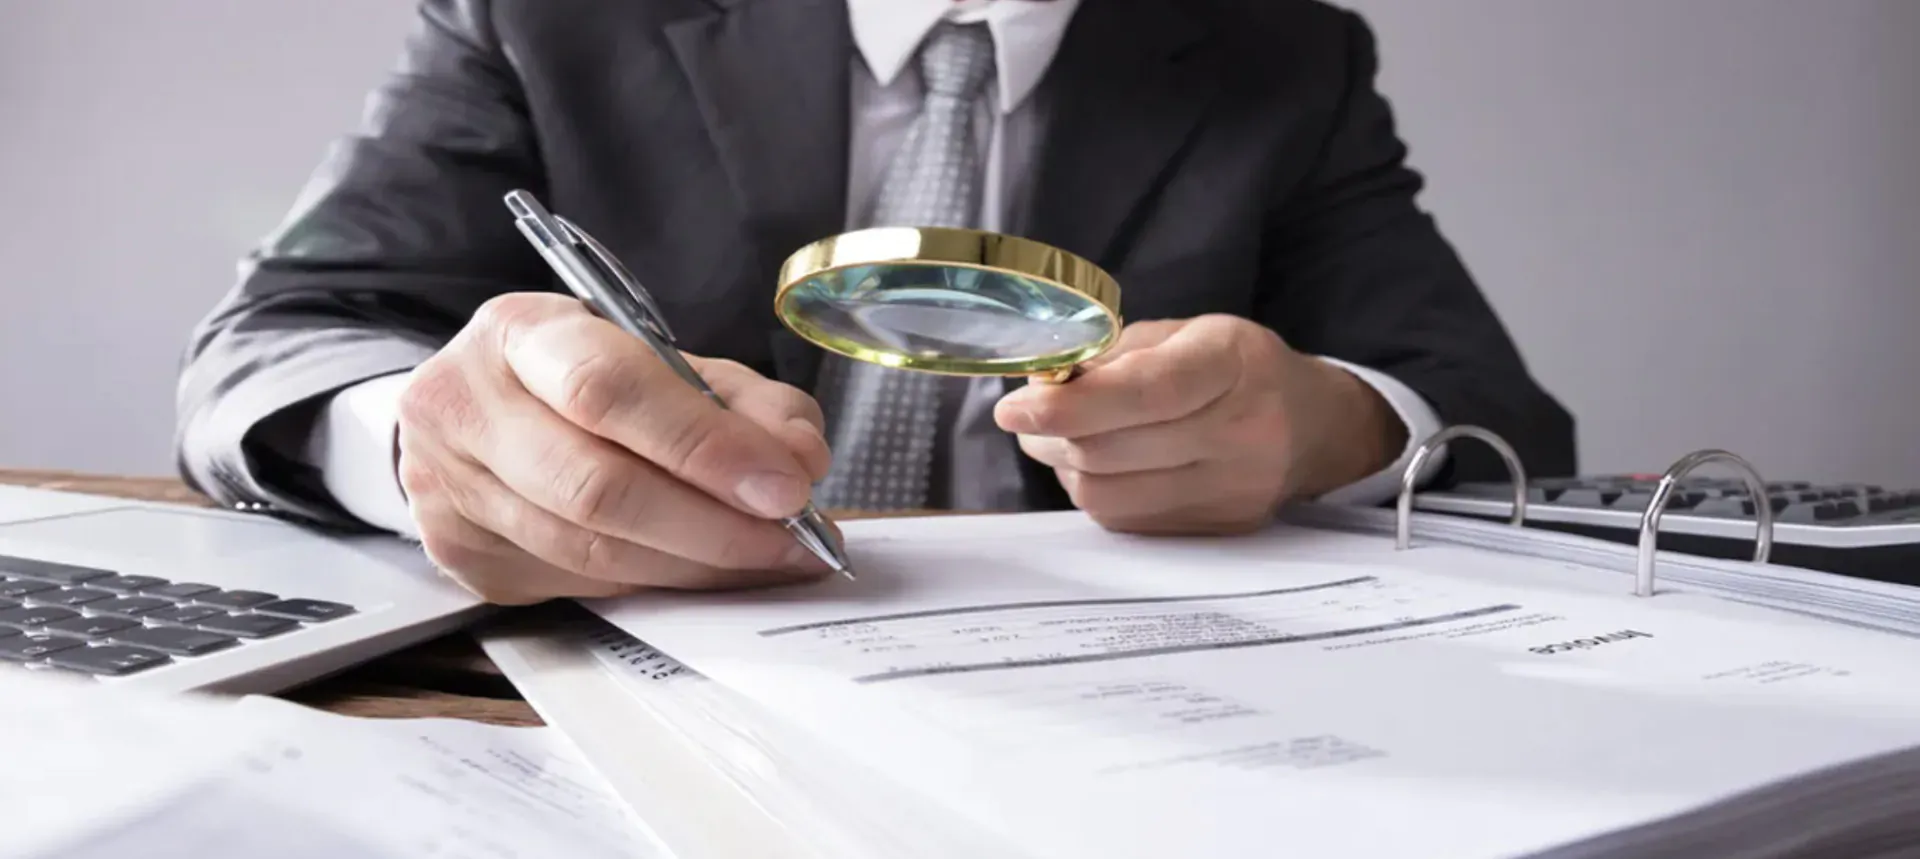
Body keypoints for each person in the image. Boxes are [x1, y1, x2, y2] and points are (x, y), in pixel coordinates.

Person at [174, 0, 1575, 604]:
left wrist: (1325, 426)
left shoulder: (1288, 54)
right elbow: (275, 339)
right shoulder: (547, 11)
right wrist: (433, 444)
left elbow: (1503, 417)